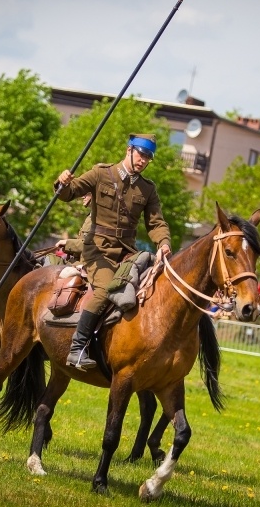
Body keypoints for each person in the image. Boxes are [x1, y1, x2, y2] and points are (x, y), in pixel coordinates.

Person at [54, 133, 172, 371]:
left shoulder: (147, 189)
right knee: (106, 290)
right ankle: (77, 349)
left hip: (128, 252)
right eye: (141, 154)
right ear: (129, 149)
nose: (144, 160)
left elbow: (156, 223)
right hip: (98, 250)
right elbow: (68, 193)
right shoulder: (101, 174)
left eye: (148, 157)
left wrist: (164, 243)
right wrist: (63, 182)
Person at [56, 193, 92, 262]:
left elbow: (93, 246)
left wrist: (68, 243)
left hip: (88, 264)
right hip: (78, 260)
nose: (82, 197)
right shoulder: (90, 216)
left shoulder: (100, 219)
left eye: (87, 194)